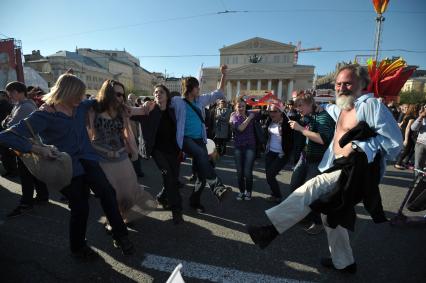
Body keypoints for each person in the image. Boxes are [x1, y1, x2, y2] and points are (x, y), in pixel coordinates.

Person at [247, 64, 402, 274]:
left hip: (354, 171)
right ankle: (345, 262)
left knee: (311, 187)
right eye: (338, 84)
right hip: (334, 165)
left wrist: (360, 146)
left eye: (348, 83)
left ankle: (270, 230)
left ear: (362, 84)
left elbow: (395, 142)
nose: (342, 87)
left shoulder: (371, 106)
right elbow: (318, 108)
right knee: (331, 216)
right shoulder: (340, 107)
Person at [0, 74, 133, 259]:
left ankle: (121, 236)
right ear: (66, 93)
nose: (82, 98)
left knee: (107, 193)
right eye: (78, 94)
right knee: (80, 207)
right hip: (66, 167)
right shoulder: (44, 114)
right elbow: (5, 136)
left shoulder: (81, 106)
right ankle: (78, 248)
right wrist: (36, 148)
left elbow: (101, 99)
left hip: (88, 159)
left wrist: (125, 104)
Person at [87, 80, 153, 228]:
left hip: (121, 156)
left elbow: (141, 111)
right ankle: (113, 221)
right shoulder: (93, 109)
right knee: (112, 195)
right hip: (102, 159)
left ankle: (124, 216)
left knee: (127, 192)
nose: (121, 98)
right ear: (107, 93)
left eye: (122, 95)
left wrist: (149, 105)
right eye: (118, 94)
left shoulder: (122, 109)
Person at [170, 65, 230, 213]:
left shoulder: (200, 101)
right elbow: (162, 104)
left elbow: (218, 93)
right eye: (197, 88)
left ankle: (194, 202)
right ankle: (217, 187)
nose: (199, 90)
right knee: (202, 155)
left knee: (201, 175)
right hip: (185, 139)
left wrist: (223, 75)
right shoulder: (178, 101)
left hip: (199, 140)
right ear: (190, 89)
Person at [131, 84, 184, 224]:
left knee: (173, 177)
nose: (157, 94)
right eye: (155, 92)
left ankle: (161, 197)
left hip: (173, 150)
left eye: (161, 92)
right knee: (169, 177)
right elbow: (131, 113)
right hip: (157, 150)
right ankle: (176, 209)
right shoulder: (149, 110)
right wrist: (142, 106)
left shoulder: (173, 111)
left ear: (167, 95)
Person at [288, 90, 335, 235]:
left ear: (310, 104)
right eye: (297, 106)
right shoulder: (310, 114)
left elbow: (322, 139)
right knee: (295, 186)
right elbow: (305, 123)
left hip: (317, 161)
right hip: (305, 157)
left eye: (300, 106)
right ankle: (303, 216)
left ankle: (318, 222)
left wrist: (301, 129)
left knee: (312, 193)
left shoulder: (324, 117)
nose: (298, 109)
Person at [2, 81, 49, 218]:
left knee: (26, 174)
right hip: (25, 143)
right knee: (33, 172)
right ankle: (42, 197)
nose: (9, 95)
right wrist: (7, 121)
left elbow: (10, 125)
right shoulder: (19, 105)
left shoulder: (25, 107)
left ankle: (26, 203)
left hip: (26, 145)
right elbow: (8, 121)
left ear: (18, 92)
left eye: (11, 92)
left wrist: (7, 121)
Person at [263, 101, 294, 203]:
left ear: (281, 112)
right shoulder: (269, 120)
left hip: (282, 154)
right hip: (270, 152)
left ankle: (278, 196)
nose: (272, 114)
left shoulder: (287, 123)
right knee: (268, 176)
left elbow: (292, 139)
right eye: (270, 111)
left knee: (271, 175)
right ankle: (274, 194)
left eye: (275, 111)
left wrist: (284, 131)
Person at [229, 99, 259, 201]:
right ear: (235, 107)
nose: (241, 108)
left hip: (250, 146)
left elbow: (261, 112)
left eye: (243, 106)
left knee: (247, 172)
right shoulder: (233, 117)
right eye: (239, 106)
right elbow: (240, 128)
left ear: (246, 107)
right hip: (238, 146)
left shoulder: (249, 114)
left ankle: (248, 192)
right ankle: (241, 192)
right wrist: (250, 118)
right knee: (239, 172)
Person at [395, 104, 417, 169]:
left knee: (412, 148)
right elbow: (408, 128)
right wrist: (406, 139)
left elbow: (400, 125)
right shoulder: (412, 118)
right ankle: (398, 163)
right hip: (407, 134)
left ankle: (405, 162)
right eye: (415, 109)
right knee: (407, 149)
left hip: (404, 134)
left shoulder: (406, 116)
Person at [0, 89, 16, 177]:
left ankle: (12, 170)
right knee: (7, 152)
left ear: (3, 96)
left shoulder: (5, 104)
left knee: (5, 152)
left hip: (4, 130)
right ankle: (12, 170)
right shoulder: (10, 105)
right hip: (6, 130)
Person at [411, 105, 426, 178]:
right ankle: (417, 183)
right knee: (418, 167)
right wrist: (421, 117)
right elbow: (413, 128)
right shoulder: (422, 118)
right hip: (421, 144)